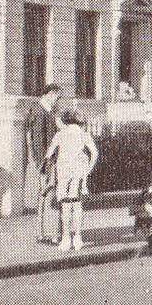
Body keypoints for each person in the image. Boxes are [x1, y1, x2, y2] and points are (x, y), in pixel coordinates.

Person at [44, 110, 97, 252]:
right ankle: (78, 238)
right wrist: (88, 168)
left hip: (63, 173)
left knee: (65, 207)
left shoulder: (60, 134)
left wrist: (50, 166)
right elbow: (94, 153)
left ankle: (66, 239)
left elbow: (49, 153)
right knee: (77, 206)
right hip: (79, 173)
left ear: (66, 121)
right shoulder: (83, 134)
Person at [28, 85, 63, 244]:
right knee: (46, 198)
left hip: (48, 162)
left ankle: (44, 233)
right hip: (45, 163)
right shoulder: (40, 111)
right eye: (57, 96)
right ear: (49, 94)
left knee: (46, 198)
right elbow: (37, 143)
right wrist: (43, 165)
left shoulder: (47, 111)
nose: (58, 100)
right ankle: (43, 233)